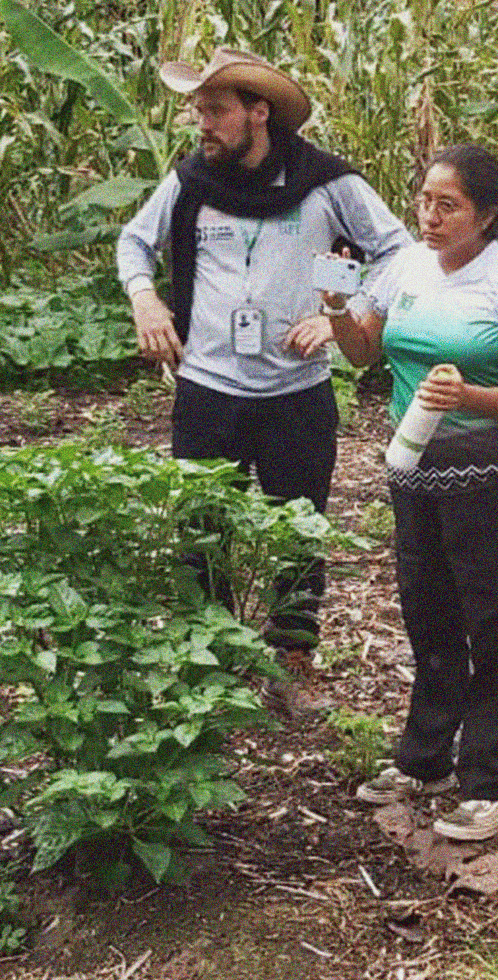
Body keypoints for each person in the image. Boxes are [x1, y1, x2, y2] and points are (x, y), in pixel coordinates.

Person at [115, 47, 411, 714]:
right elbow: (134, 242)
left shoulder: (325, 184)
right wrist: (145, 299)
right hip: (208, 389)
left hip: (296, 393)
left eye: (215, 111)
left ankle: (292, 661)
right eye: (199, 111)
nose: (202, 125)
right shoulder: (191, 183)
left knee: (299, 528)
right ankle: (210, 661)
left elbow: (397, 249)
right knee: (201, 525)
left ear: (259, 113)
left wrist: (347, 317)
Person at [328, 145, 498, 841]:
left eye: (447, 205)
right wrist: (335, 305)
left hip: (488, 478)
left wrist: (469, 394)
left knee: (497, 623)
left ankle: (494, 780)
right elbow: (364, 352)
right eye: (424, 200)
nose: (430, 215)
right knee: (428, 615)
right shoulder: (405, 268)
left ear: (486, 214)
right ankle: (426, 758)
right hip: (413, 469)